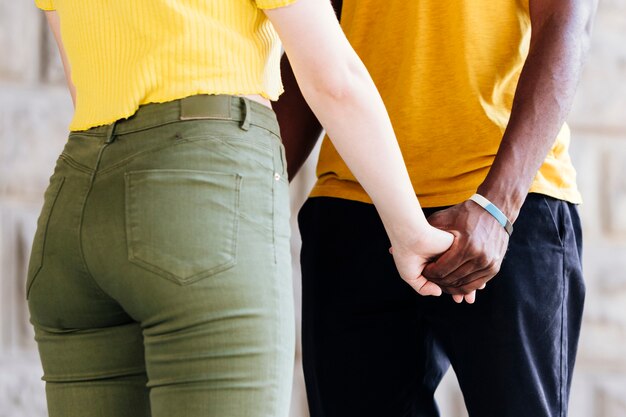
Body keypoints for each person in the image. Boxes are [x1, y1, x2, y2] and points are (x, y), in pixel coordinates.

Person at [26, 1, 465, 416]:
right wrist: (410, 230)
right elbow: (334, 79)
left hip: (75, 204)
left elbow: (78, 79)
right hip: (196, 195)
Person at [274, 0, 598, 416]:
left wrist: (497, 206)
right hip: (355, 203)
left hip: (499, 206)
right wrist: (252, 198)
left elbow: (567, 21)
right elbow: (314, 39)